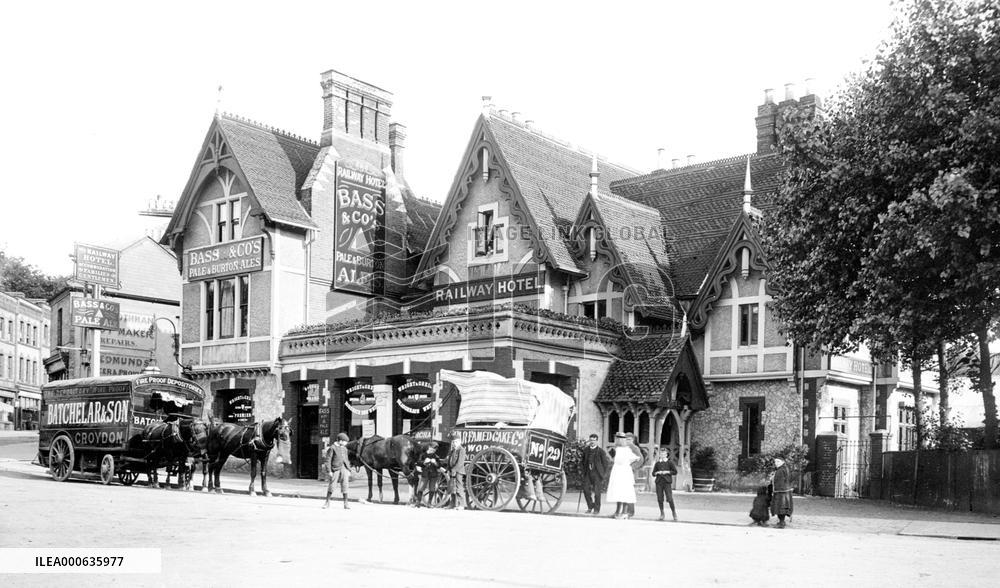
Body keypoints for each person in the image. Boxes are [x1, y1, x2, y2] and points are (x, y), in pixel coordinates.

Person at [605, 433, 639, 519]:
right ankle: (617, 512)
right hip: (617, 472)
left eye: (621, 438)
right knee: (618, 491)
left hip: (625, 472)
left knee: (625, 492)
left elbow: (637, 458)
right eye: (618, 438)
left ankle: (624, 512)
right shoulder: (618, 449)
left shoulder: (628, 450)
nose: (619, 440)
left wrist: (631, 467)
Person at [580, 433, 612, 515]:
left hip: (597, 474)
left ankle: (596, 509)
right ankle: (590, 506)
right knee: (586, 490)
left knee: (597, 492)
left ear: (597, 441)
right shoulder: (586, 450)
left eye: (594, 440)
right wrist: (582, 471)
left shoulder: (601, 451)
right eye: (591, 440)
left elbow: (606, 464)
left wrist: (603, 475)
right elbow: (582, 462)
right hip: (587, 473)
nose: (592, 442)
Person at [323, 432, 351, 510]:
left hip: (344, 468)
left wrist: (348, 469)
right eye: (345, 441)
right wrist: (329, 471)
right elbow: (328, 460)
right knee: (332, 485)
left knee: (345, 485)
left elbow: (346, 459)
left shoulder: (344, 449)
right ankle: (327, 502)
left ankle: (346, 503)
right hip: (335, 469)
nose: (346, 443)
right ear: (340, 441)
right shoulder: (332, 448)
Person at [652, 449, 678, 521]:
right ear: (659, 455)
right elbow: (653, 473)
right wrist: (657, 473)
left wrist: (667, 472)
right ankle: (662, 513)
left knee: (669, 498)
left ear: (666, 455)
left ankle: (674, 512)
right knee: (660, 498)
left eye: (664, 454)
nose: (662, 455)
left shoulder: (670, 463)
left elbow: (675, 472)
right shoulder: (657, 463)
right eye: (661, 454)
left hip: (667, 482)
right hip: (659, 482)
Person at [413, 442, 442, 508]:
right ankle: (418, 502)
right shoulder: (423, 455)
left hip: (433, 475)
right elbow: (418, 462)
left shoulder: (436, 457)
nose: (433, 450)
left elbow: (439, 466)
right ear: (429, 447)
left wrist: (435, 463)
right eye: (432, 449)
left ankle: (429, 503)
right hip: (425, 474)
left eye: (434, 450)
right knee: (421, 488)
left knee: (432, 489)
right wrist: (424, 462)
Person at [624, 432, 644, 518]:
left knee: (629, 492)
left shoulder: (634, 448)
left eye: (629, 439)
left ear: (633, 440)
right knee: (623, 492)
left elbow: (640, 460)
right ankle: (623, 510)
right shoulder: (624, 448)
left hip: (630, 472)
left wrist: (632, 467)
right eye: (626, 439)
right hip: (623, 472)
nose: (627, 441)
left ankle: (630, 511)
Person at [770, 457, 794, 528]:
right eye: (775, 462)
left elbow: (780, 480)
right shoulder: (783, 469)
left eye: (778, 461)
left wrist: (772, 479)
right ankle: (781, 522)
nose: (776, 463)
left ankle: (782, 523)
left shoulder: (781, 470)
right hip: (784, 491)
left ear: (783, 462)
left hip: (781, 492)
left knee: (781, 507)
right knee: (781, 507)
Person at [446, 431, 467, 510]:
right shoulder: (452, 450)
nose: (454, 443)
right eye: (453, 442)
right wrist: (448, 469)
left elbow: (460, 462)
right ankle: (452, 504)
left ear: (460, 442)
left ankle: (461, 504)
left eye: (456, 442)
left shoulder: (461, 450)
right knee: (452, 487)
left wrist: (454, 470)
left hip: (458, 471)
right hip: (452, 471)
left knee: (459, 487)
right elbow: (449, 461)